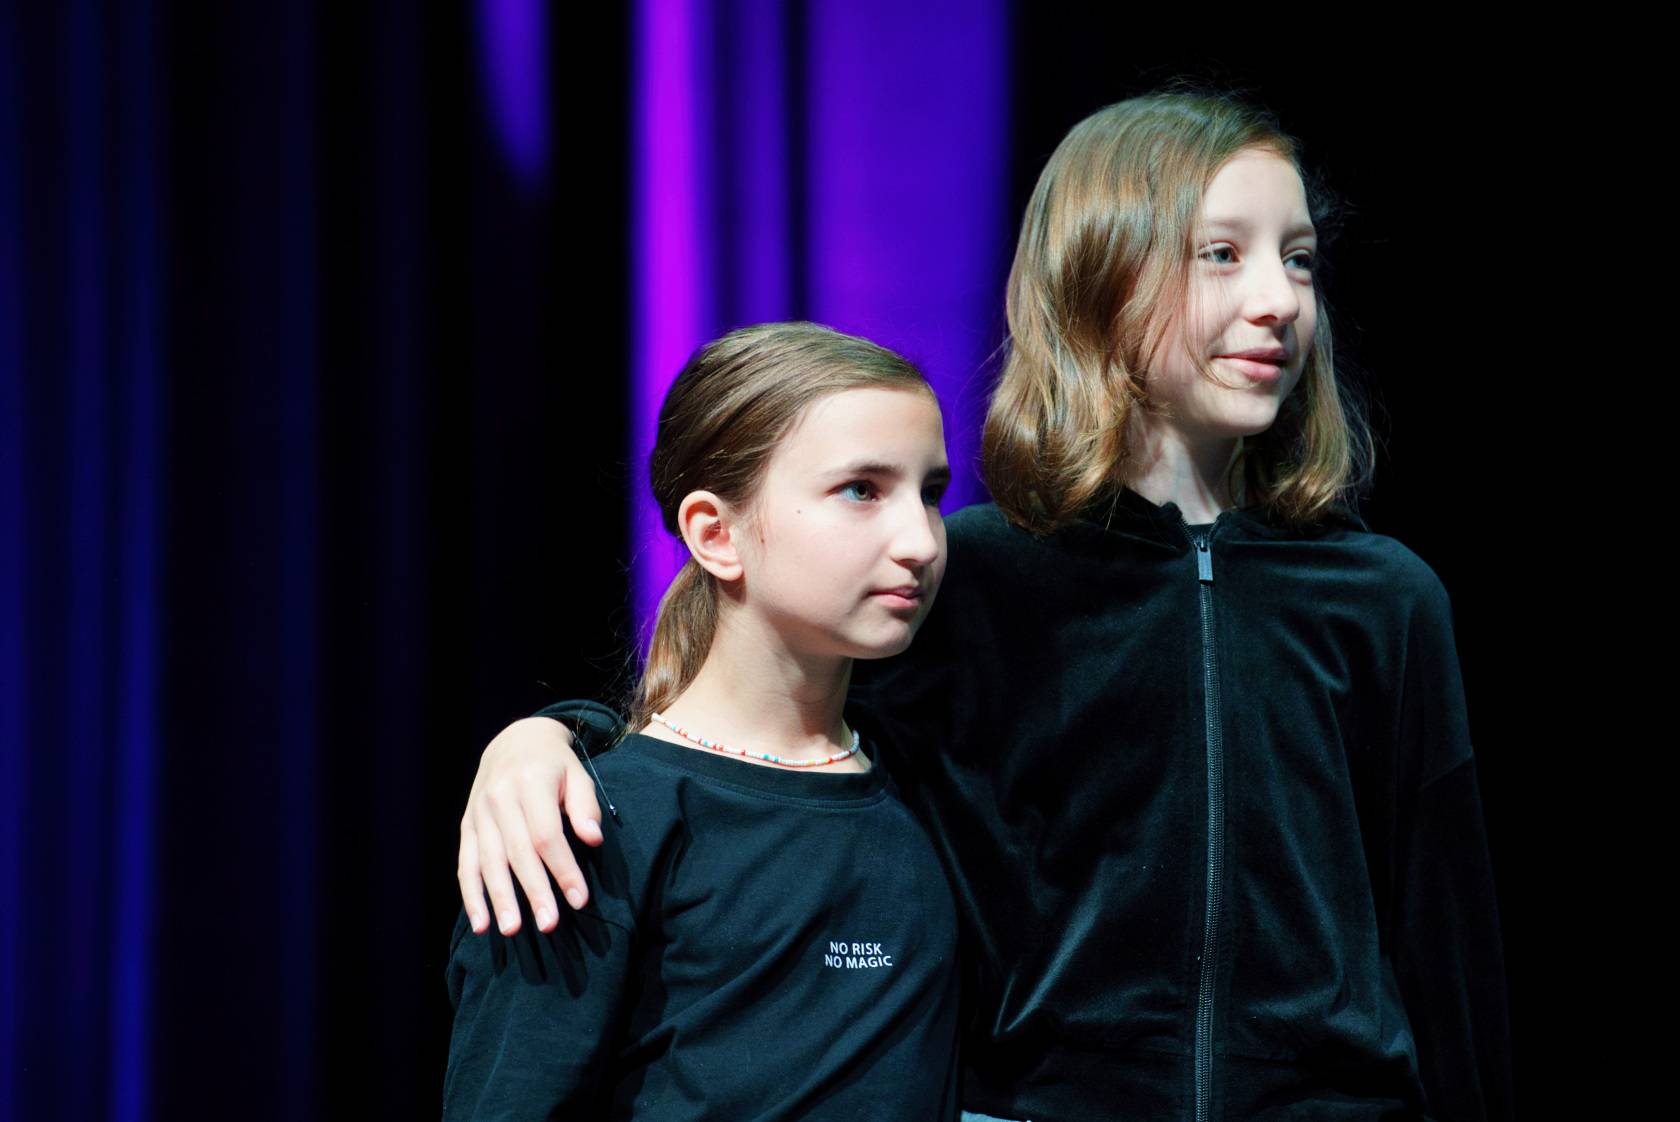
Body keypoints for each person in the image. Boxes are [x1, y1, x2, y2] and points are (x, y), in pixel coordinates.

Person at [454, 92, 1512, 1121]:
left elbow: (1446, 949)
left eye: (1300, 258)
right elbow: (756, 730)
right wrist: (549, 739)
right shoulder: (971, 580)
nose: (1279, 297)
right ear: (1100, 271)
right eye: (1221, 253)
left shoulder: (1382, 599)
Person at [444, 322, 964, 1119]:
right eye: (861, 490)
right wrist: (537, 740)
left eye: (930, 493)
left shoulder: (934, 776)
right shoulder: (581, 825)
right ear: (716, 535)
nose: (921, 541)